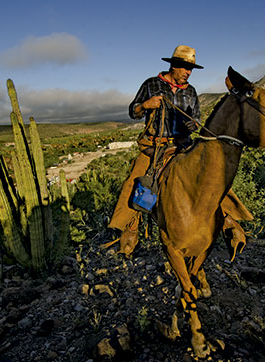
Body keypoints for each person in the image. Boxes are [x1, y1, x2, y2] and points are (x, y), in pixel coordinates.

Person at [108, 45, 252, 259]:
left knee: (211, 177)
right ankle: (129, 227)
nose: (188, 72)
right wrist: (146, 105)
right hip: (154, 146)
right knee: (135, 179)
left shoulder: (191, 91)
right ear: (174, 65)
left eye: (191, 68)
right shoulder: (151, 84)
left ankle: (229, 220)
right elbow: (133, 111)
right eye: (185, 67)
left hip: (183, 145)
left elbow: (197, 120)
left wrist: (192, 124)